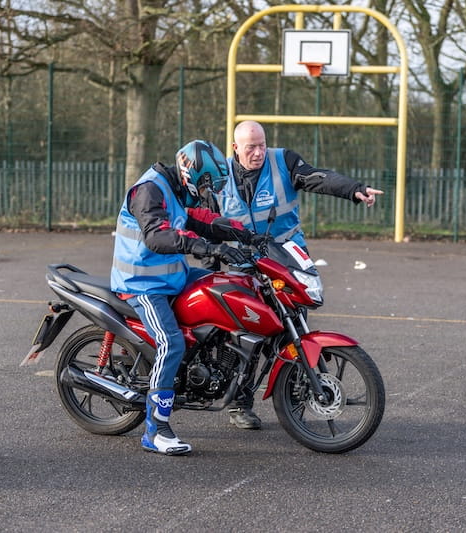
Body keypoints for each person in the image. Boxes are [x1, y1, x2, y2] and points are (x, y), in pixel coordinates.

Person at [201, 120, 384, 431]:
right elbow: (207, 223)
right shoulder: (218, 177)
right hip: (241, 263)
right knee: (243, 334)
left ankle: (296, 397)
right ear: (235, 149)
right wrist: (209, 268)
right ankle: (238, 402)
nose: (259, 152)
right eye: (251, 148)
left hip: (284, 257)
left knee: (292, 326)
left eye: (262, 145)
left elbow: (318, 178)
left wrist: (355, 190)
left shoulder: (283, 161)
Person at [110, 139, 258, 456]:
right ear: (189, 171)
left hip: (171, 276)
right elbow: (158, 236)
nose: (207, 191)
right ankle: (155, 430)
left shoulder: (175, 189)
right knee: (171, 342)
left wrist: (244, 234)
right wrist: (208, 249)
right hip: (142, 282)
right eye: (205, 183)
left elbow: (200, 219)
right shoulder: (149, 189)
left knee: (227, 289)